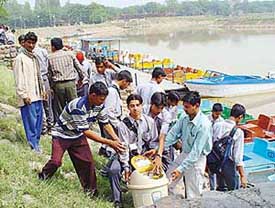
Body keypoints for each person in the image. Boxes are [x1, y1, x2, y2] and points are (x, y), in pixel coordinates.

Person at [38, 82, 125, 197]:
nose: (102, 102)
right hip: (62, 135)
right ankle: (43, 175)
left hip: (77, 135)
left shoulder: (99, 105)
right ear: (92, 95)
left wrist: (116, 139)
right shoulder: (78, 106)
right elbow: (87, 132)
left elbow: (105, 123)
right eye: (101, 99)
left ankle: (91, 191)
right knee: (56, 161)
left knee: (88, 163)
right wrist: (109, 143)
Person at [107, 94, 159, 208]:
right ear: (128, 107)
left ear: (142, 106)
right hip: (127, 155)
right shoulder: (123, 125)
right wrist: (126, 166)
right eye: (132, 106)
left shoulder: (149, 122)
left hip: (144, 156)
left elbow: (154, 140)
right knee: (113, 170)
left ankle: (150, 198)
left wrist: (153, 151)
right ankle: (117, 200)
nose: (135, 108)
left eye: (137, 105)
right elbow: (123, 147)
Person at [165, 91, 212, 198]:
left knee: (193, 192)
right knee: (168, 179)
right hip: (185, 153)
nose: (185, 109)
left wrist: (180, 169)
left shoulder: (204, 125)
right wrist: (160, 148)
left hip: (197, 159)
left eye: (187, 107)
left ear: (196, 106)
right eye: (184, 106)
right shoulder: (184, 117)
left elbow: (195, 153)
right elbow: (173, 134)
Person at [13, 32, 45, 152]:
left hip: (38, 95)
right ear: (24, 43)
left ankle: (37, 143)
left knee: (38, 122)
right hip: (28, 96)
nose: (31, 45)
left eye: (33, 43)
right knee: (30, 122)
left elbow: (39, 76)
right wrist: (23, 95)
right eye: (29, 43)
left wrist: (43, 91)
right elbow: (19, 78)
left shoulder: (34, 57)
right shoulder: (20, 58)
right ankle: (33, 145)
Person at [48, 37, 84, 122]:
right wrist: (81, 79)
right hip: (71, 83)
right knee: (74, 105)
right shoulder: (70, 54)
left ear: (53, 47)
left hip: (58, 85)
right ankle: (77, 123)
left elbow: (49, 74)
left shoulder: (50, 57)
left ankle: (64, 124)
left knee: (61, 107)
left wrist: (52, 86)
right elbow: (80, 68)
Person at [212, 104, 247, 191]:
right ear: (240, 117)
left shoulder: (217, 125)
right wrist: (243, 176)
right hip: (229, 165)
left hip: (216, 162)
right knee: (234, 191)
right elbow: (237, 157)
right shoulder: (238, 132)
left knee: (221, 188)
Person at [99, 70, 133, 157]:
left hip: (115, 120)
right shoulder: (112, 91)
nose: (127, 86)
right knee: (113, 144)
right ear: (124, 81)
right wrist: (118, 125)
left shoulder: (114, 90)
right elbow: (109, 112)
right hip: (112, 122)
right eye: (127, 84)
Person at [143, 92, 172, 173]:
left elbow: (162, 136)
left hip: (159, 145)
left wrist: (159, 154)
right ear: (152, 104)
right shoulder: (143, 110)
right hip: (144, 144)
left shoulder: (166, 115)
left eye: (161, 108)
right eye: (157, 107)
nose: (159, 110)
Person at [34, 45, 54, 134]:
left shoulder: (37, 52)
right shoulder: (42, 51)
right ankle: (49, 126)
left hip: (40, 79)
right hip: (42, 79)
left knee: (42, 104)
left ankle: (44, 127)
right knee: (47, 104)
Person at [207, 102, 224, 190]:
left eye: (219, 114)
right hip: (207, 145)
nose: (217, 115)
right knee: (210, 168)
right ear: (212, 112)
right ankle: (212, 187)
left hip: (216, 148)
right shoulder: (207, 119)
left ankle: (218, 186)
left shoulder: (221, 122)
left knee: (217, 167)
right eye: (216, 113)